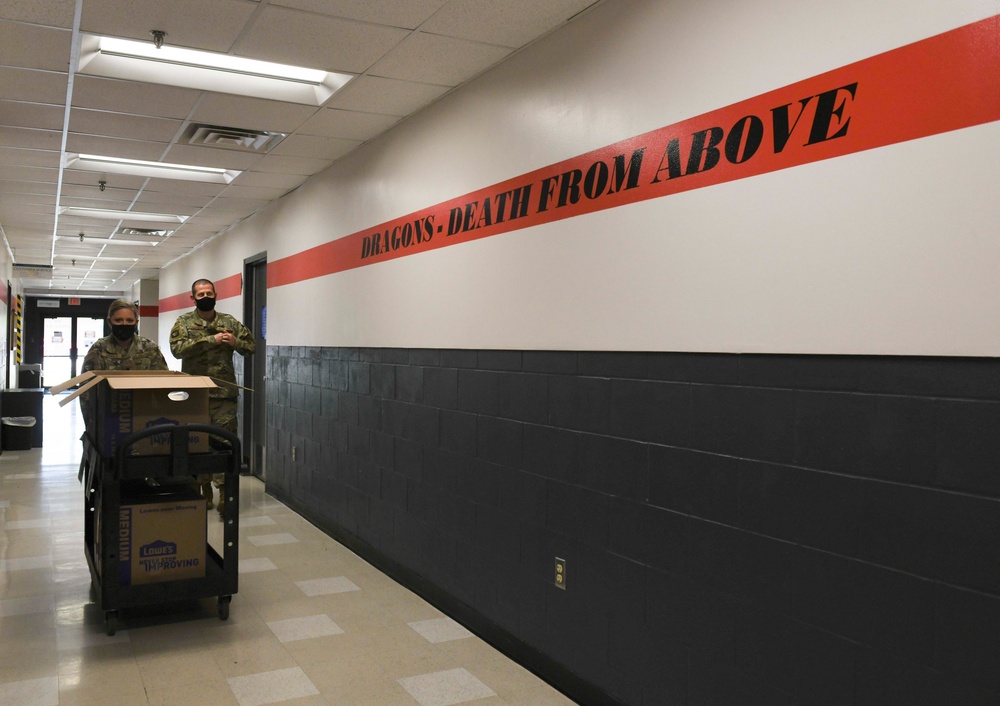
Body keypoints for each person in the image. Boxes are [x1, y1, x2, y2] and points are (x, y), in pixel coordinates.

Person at [169, 279, 255, 515]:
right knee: (196, 443)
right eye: (200, 293)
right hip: (194, 396)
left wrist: (235, 342)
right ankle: (203, 487)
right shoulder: (184, 322)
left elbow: (251, 346)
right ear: (193, 297)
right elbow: (177, 349)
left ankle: (225, 492)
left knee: (225, 445)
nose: (205, 296)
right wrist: (211, 340)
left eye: (209, 293)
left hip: (223, 395)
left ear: (215, 294)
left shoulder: (228, 321)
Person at [82, 299, 168, 373]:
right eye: (118, 320)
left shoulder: (150, 348)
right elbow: (86, 384)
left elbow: (163, 380)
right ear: (109, 322)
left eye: (129, 320)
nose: (124, 324)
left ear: (136, 323)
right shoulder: (99, 349)